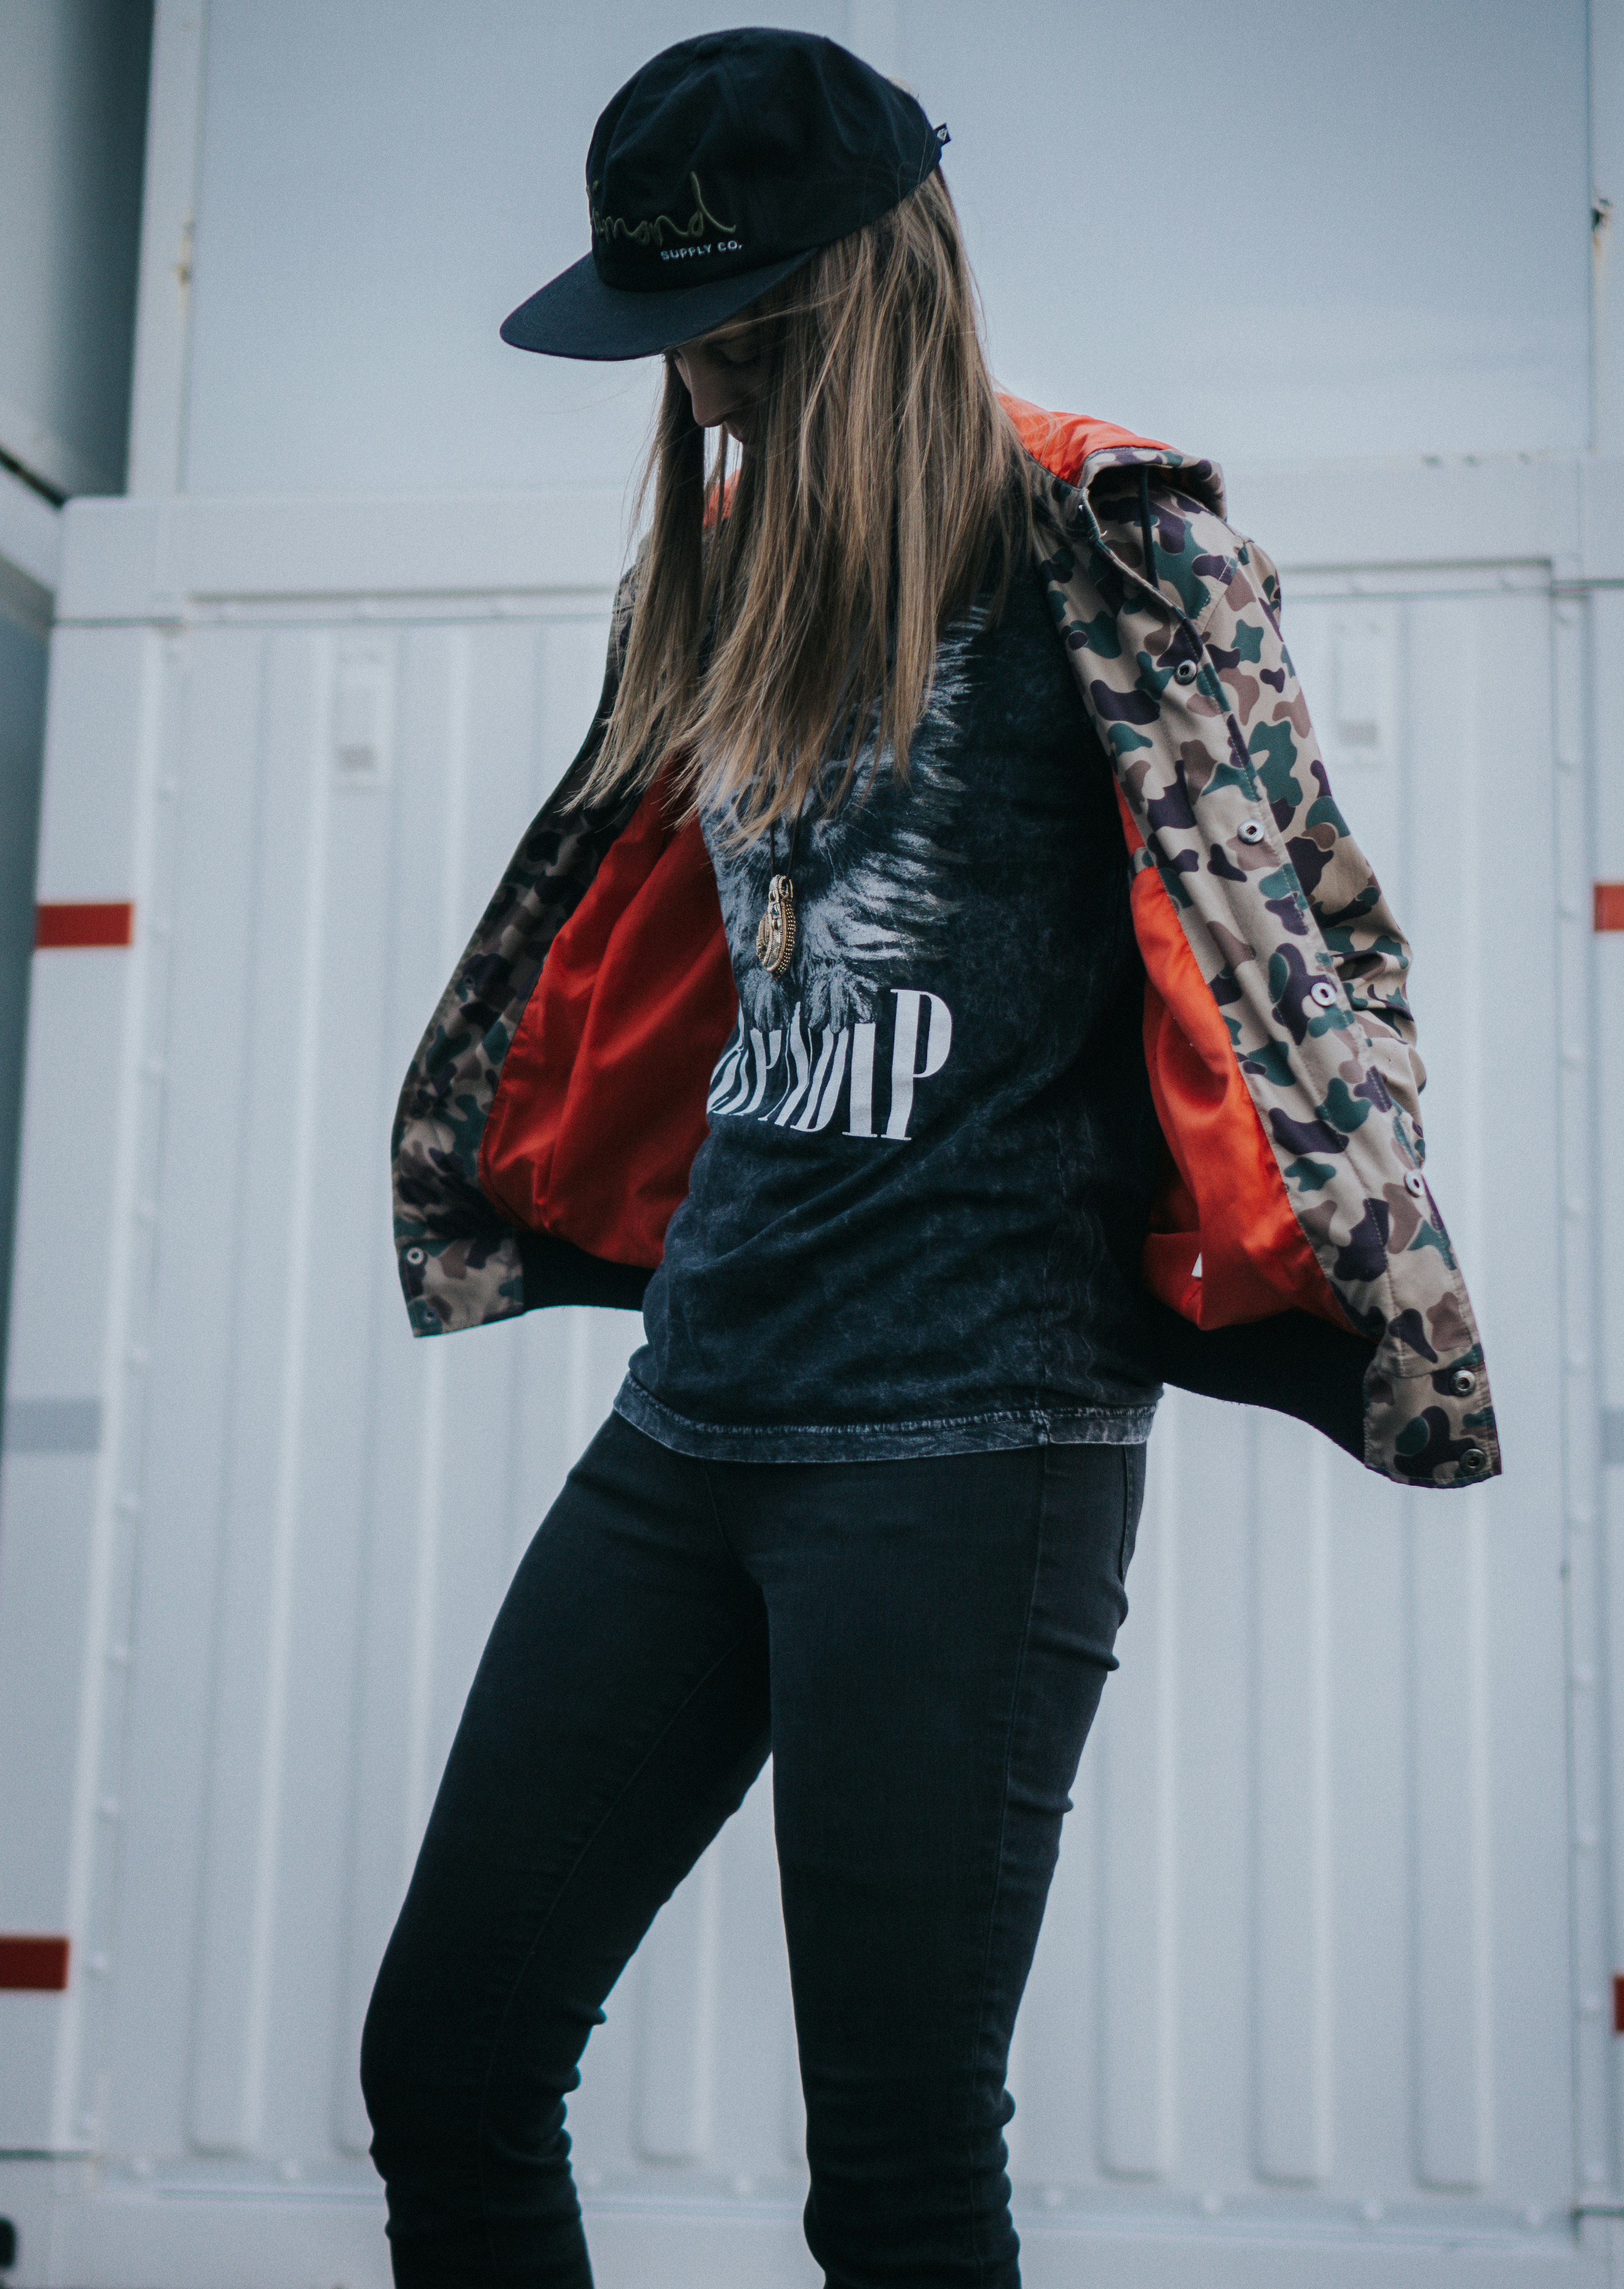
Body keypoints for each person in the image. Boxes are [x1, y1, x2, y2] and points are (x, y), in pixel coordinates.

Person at [363, 27, 1500, 2289]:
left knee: (890, 2164)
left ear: (837, 286)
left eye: (716, 333)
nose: (687, 384)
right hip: (691, 1433)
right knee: (451, 2066)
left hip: (972, 1448)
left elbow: (1314, 929)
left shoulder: (1106, 540)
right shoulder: (721, 573)